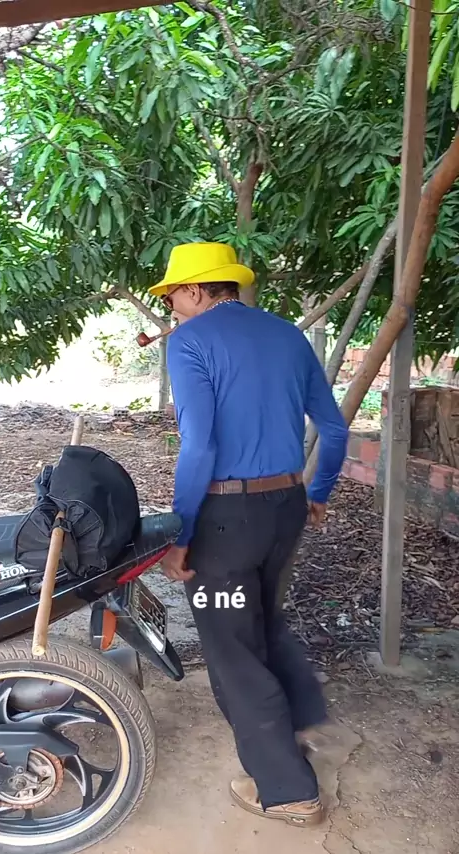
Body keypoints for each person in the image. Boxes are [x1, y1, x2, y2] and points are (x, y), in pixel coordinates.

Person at [149, 242, 349, 828]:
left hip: (226, 519)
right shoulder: (288, 335)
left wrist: (182, 533)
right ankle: (299, 721)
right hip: (286, 506)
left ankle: (288, 791)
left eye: (172, 295)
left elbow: (200, 447)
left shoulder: (189, 341)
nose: (170, 307)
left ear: (194, 290)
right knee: (261, 616)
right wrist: (317, 493)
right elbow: (334, 429)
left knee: (232, 647)